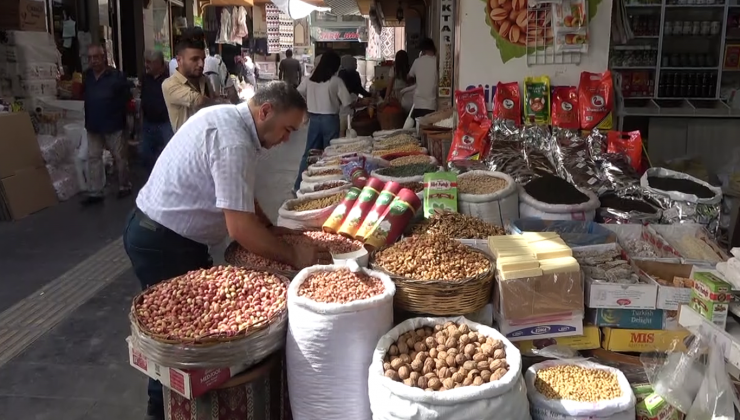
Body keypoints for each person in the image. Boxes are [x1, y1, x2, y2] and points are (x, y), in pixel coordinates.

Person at [125, 82, 323, 420]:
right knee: (178, 341)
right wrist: (293, 256)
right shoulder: (234, 142)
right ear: (265, 112)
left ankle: (174, 406)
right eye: (287, 130)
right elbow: (240, 229)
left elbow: (240, 196)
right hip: (162, 239)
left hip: (164, 234)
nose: (287, 140)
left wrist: (271, 229)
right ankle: (162, 411)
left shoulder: (229, 121)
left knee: (182, 332)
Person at [293, 50, 352, 192]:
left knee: (309, 153)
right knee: (329, 155)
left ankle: (298, 186)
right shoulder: (336, 81)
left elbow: (297, 92)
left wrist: (306, 106)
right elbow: (347, 102)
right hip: (330, 120)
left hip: (314, 120)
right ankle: (327, 187)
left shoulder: (309, 80)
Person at [81, 43, 132, 205]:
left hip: (113, 124)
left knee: (119, 157)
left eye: (96, 57)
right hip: (93, 124)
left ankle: (124, 186)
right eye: (90, 58)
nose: (93, 61)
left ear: (104, 58)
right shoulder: (87, 76)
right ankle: (95, 191)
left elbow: (127, 98)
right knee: (93, 157)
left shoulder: (116, 76)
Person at [162, 31, 215, 132]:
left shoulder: (204, 80)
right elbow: (198, 101)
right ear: (179, 60)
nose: (201, 64)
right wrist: (221, 102)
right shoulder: (169, 84)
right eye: (195, 59)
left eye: (203, 59)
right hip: (187, 145)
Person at [140, 50, 174, 170]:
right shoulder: (145, 78)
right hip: (148, 123)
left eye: (149, 62)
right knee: (145, 154)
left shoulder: (169, 79)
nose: (146, 65)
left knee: (168, 154)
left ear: (159, 63)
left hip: (165, 123)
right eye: (145, 61)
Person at [337, 55, 370, 137]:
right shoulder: (342, 75)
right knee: (346, 131)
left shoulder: (352, 74)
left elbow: (359, 89)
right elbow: (358, 89)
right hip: (345, 109)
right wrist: (366, 99)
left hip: (347, 109)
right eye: (354, 63)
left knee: (344, 133)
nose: (356, 65)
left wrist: (368, 95)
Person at [408, 38, 438, 119]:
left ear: (423, 50)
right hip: (431, 106)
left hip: (418, 104)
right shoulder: (437, 62)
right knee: (428, 129)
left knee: (418, 129)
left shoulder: (417, 61)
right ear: (433, 48)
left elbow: (409, 77)